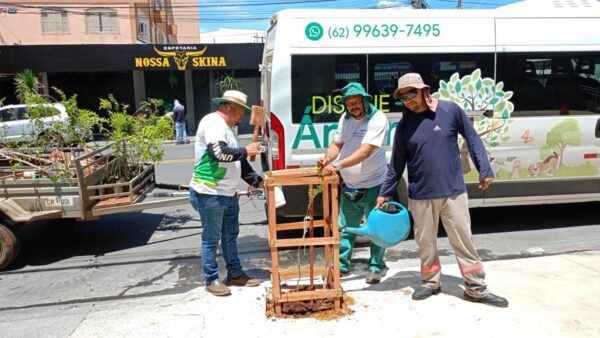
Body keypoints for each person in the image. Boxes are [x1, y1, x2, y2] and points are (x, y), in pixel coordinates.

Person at [375, 73, 509, 308]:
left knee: (463, 241)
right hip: (420, 195)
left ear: (424, 91)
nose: (407, 99)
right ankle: (430, 282)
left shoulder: (450, 111)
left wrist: (484, 169)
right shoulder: (404, 126)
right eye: (402, 96)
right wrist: (385, 192)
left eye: (411, 93)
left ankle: (476, 287)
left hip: (453, 192)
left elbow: (473, 138)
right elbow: (396, 163)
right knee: (425, 243)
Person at [188, 90, 264, 297]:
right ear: (231, 108)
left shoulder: (229, 129)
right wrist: (247, 150)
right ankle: (211, 279)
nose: (241, 118)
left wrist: (257, 181)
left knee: (230, 236)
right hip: (209, 192)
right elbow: (219, 153)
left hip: (227, 193)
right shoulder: (213, 123)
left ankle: (235, 273)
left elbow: (239, 159)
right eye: (240, 113)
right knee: (211, 238)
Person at [318, 82, 389, 284]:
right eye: (350, 103)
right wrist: (327, 159)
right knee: (346, 228)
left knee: (376, 228)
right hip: (351, 185)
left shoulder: (377, 118)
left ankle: (376, 266)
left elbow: (366, 151)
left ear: (365, 101)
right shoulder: (345, 118)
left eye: (357, 102)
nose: (354, 106)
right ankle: (342, 265)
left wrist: (338, 166)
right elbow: (337, 143)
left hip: (374, 184)